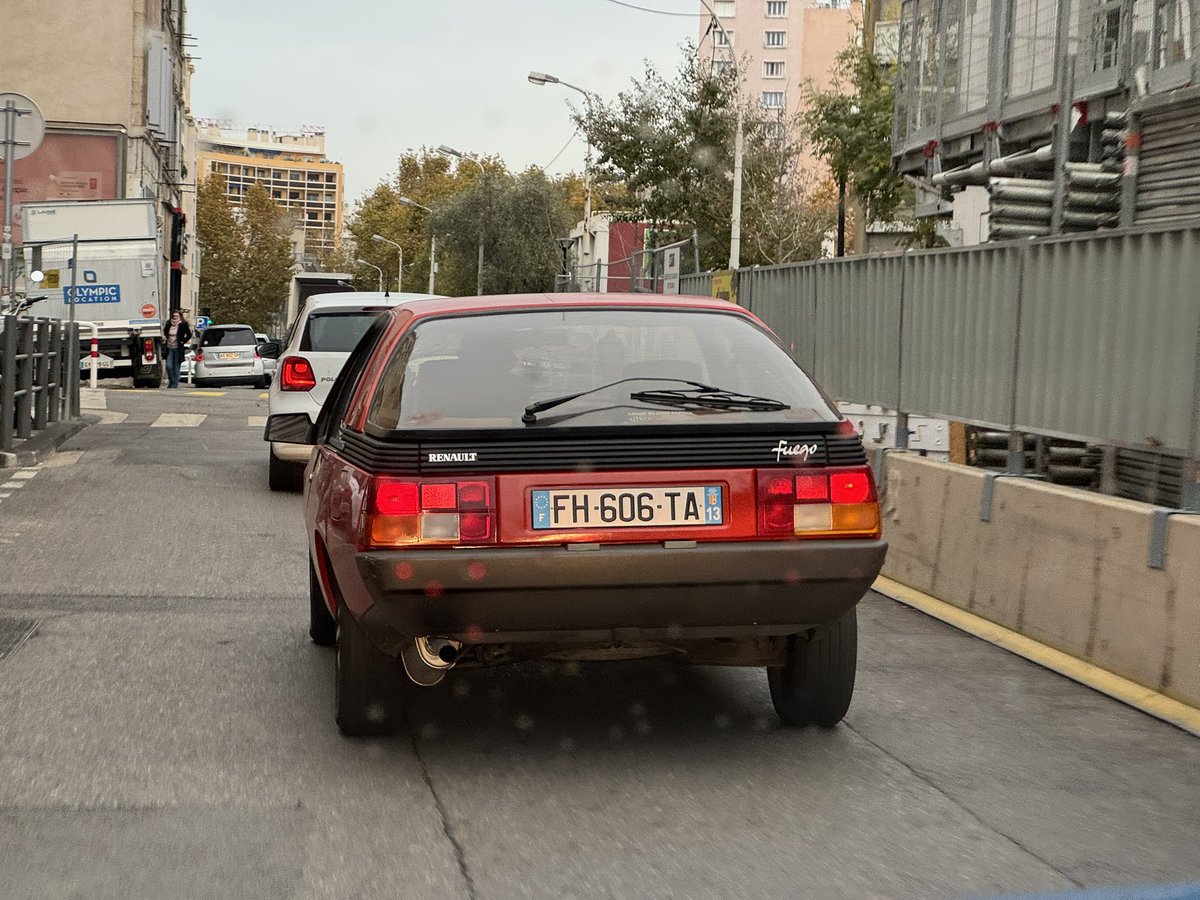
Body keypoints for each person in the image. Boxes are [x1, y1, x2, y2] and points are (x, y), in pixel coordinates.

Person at [162, 310, 193, 389]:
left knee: (176, 367)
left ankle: (175, 384)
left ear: (180, 317)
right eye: (174, 316)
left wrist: (183, 341)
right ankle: (171, 381)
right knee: (169, 366)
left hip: (178, 348)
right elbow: (165, 333)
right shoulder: (169, 324)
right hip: (169, 347)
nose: (175, 318)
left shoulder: (183, 324)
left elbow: (189, 334)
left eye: (177, 316)